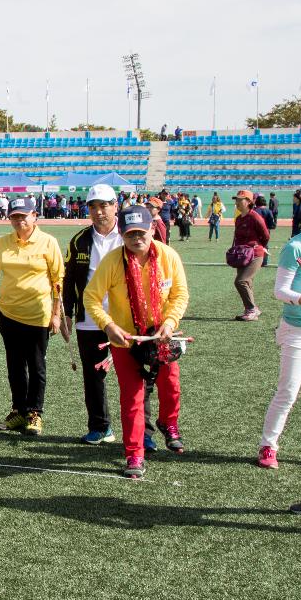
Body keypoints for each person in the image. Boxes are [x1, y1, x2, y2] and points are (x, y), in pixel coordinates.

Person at [82, 205, 189, 479]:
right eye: (130, 234)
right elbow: (91, 297)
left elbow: (180, 294)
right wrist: (109, 326)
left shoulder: (168, 256)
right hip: (125, 340)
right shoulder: (113, 261)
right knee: (132, 397)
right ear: (122, 234)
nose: (136, 239)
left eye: (141, 232)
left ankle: (168, 422)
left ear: (152, 230)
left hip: (162, 334)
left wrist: (170, 322)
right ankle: (134, 453)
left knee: (171, 385)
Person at [0, 196, 64, 436]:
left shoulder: (48, 243)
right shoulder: (3, 243)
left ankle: (34, 413)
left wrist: (56, 313)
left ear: (34, 217)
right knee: (15, 365)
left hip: (38, 315)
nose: (19, 221)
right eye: (14, 217)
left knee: (36, 366)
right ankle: (19, 410)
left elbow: (58, 280)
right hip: (8, 314)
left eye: (23, 216)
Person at [61, 184, 123, 445]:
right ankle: (100, 427)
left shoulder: (130, 235)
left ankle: (143, 432)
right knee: (93, 376)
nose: (99, 211)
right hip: (88, 319)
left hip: (125, 319)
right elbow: (69, 280)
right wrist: (65, 314)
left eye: (104, 205)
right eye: (93, 206)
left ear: (115, 205)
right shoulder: (79, 240)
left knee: (135, 376)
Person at [258, 203, 301, 470]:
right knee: (288, 391)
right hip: (299, 330)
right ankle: (268, 445)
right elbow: (280, 291)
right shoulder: (295, 248)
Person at [231, 189, 270, 321]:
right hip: (242, 255)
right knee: (247, 282)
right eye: (236, 199)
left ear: (248, 202)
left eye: (239, 199)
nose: (236, 202)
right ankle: (253, 309)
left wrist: (259, 247)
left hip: (255, 254)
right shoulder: (238, 219)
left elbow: (265, 235)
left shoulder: (255, 217)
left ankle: (251, 310)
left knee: (241, 281)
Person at [254, 195, 277, 267]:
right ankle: (265, 262)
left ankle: (255, 261)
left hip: (256, 231)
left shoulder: (254, 211)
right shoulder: (268, 211)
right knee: (265, 245)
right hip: (266, 231)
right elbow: (272, 224)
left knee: (256, 245)